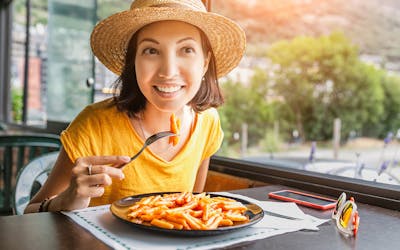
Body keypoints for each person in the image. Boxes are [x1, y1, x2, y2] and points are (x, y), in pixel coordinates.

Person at [25, 0, 245, 213]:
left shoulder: (207, 122)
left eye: (186, 49)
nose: (168, 71)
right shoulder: (94, 125)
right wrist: (65, 200)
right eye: (151, 51)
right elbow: (30, 213)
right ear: (134, 62)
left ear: (205, 63)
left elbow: (193, 209)